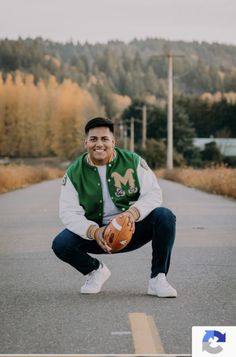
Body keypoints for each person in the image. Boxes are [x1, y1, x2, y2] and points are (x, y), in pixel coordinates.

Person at [52, 117, 177, 297]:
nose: (99, 144)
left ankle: (158, 279)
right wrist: (94, 231)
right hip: (98, 235)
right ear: (85, 142)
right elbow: (68, 212)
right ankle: (95, 271)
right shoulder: (74, 172)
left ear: (113, 142)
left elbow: (154, 194)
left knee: (165, 216)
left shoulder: (133, 161)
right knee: (61, 244)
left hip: (132, 229)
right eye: (93, 139)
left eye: (104, 139)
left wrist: (132, 214)